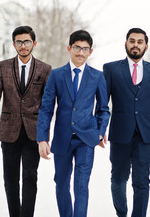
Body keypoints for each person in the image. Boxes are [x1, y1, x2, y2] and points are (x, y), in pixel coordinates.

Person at [36, 30, 110, 217]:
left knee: (81, 185)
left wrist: (100, 131)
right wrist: (42, 138)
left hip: (87, 138)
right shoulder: (56, 75)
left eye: (85, 49)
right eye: (77, 47)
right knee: (61, 183)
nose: (80, 52)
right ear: (69, 48)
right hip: (63, 138)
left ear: (90, 52)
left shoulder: (97, 76)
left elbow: (103, 109)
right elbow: (46, 109)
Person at [0, 26, 52, 217]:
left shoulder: (45, 69)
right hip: (9, 131)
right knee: (11, 179)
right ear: (14, 44)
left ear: (34, 43)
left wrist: (45, 135)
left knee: (30, 177)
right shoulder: (3, 67)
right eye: (19, 42)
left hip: (34, 133)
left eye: (27, 41)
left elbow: (48, 104)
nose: (23, 46)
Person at [103, 28, 150, 217]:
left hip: (144, 135)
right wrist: (100, 129)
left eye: (140, 42)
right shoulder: (111, 69)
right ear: (126, 44)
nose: (135, 45)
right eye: (132, 41)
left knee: (142, 181)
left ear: (146, 46)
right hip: (120, 134)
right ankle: (121, 213)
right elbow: (103, 103)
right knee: (118, 180)